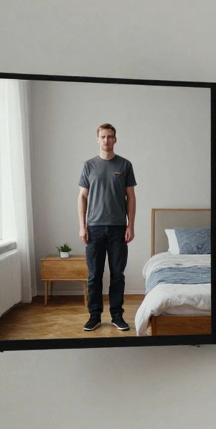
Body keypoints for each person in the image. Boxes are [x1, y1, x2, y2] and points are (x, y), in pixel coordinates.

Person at [78, 123, 137, 331]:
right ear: (97, 139)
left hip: (118, 228)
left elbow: (130, 197)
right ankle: (94, 316)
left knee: (117, 274)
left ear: (115, 139)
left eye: (110, 137)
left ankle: (117, 316)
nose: (106, 140)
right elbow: (82, 197)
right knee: (94, 275)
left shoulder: (125, 165)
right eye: (103, 137)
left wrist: (131, 225)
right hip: (93, 228)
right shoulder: (88, 166)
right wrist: (82, 226)